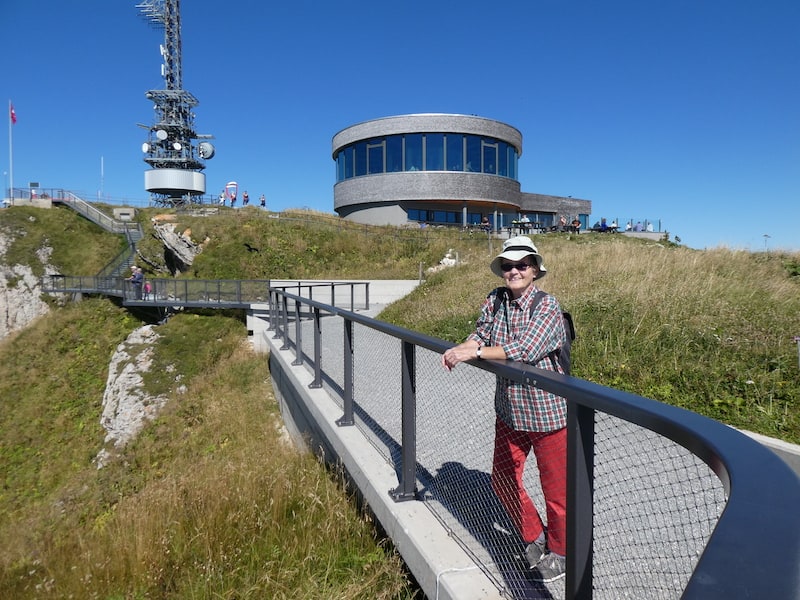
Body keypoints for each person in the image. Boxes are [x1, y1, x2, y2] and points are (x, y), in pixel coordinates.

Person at [441, 236, 569, 583]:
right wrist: (461, 348)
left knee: (556, 491)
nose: (514, 271)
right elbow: (481, 333)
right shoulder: (495, 300)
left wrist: (475, 353)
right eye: (508, 265)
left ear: (535, 270)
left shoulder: (548, 306)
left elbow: (527, 348)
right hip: (510, 409)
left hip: (547, 413)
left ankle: (561, 552)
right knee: (502, 478)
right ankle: (533, 535)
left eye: (521, 265)